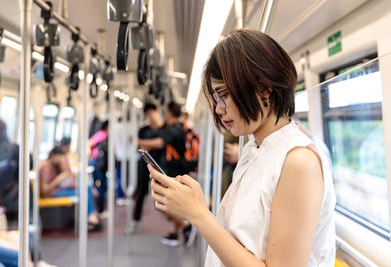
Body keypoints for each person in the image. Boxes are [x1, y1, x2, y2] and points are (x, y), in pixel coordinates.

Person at [148, 29, 336, 266]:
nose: (218, 109)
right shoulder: (254, 149)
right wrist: (192, 200)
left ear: (264, 88)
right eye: (216, 98)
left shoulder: (298, 162)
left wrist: (198, 213)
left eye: (224, 94)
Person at [139, 102, 194, 247]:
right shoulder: (181, 128)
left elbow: (159, 143)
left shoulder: (173, 129)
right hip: (178, 169)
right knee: (171, 202)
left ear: (169, 113)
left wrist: (139, 142)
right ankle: (175, 233)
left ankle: (186, 226)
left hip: (172, 171)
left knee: (162, 204)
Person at [39, 147, 101, 231]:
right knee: (84, 190)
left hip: (58, 190)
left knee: (87, 188)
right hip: (52, 193)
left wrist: (64, 164)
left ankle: (90, 215)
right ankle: (90, 216)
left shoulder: (54, 166)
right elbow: (45, 190)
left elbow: (69, 173)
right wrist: (59, 179)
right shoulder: (46, 168)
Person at [127, 103, 164, 233]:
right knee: (140, 193)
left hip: (160, 166)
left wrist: (144, 143)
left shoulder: (164, 129)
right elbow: (140, 147)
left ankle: (178, 223)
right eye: (147, 114)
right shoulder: (144, 130)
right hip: (144, 166)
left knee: (164, 194)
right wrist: (149, 144)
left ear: (156, 111)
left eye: (151, 113)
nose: (150, 116)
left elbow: (161, 144)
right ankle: (135, 221)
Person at [89, 120, 109, 216]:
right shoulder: (102, 135)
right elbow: (89, 143)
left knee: (99, 186)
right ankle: (100, 210)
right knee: (100, 187)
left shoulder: (105, 136)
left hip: (100, 163)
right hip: (98, 164)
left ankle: (97, 210)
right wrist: (91, 157)